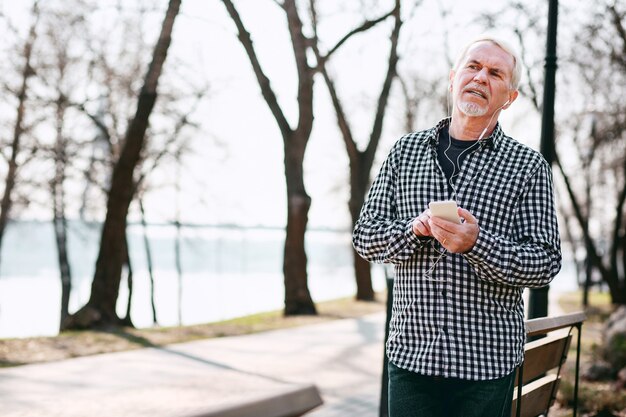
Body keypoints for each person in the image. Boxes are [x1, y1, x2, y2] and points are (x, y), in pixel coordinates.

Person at [352, 34, 562, 417]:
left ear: (509, 98)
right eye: (473, 66)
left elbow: (545, 262)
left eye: (495, 73)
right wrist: (414, 229)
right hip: (411, 360)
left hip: (486, 369)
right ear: (453, 79)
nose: (481, 77)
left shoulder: (528, 167)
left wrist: (477, 243)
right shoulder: (405, 153)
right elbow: (365, 237)